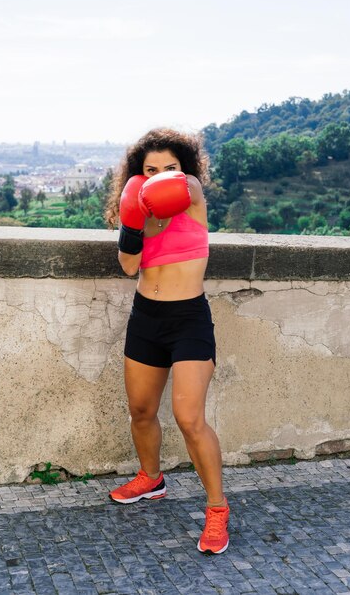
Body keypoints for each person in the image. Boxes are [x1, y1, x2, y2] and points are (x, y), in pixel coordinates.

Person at [105, 127, 229, 554]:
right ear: (136, 177)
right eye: (149, 169)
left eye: (169, 167)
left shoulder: (192, 197)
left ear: (184, 169)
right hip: (146, 318)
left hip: (188, 319)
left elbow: (187, 185)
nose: (160, 175)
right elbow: (127, 266)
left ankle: (217, 510)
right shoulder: (136, 212)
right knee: (141, 410)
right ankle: (151, 478)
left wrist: (170, 181)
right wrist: (133, 218)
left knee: (189, 417)